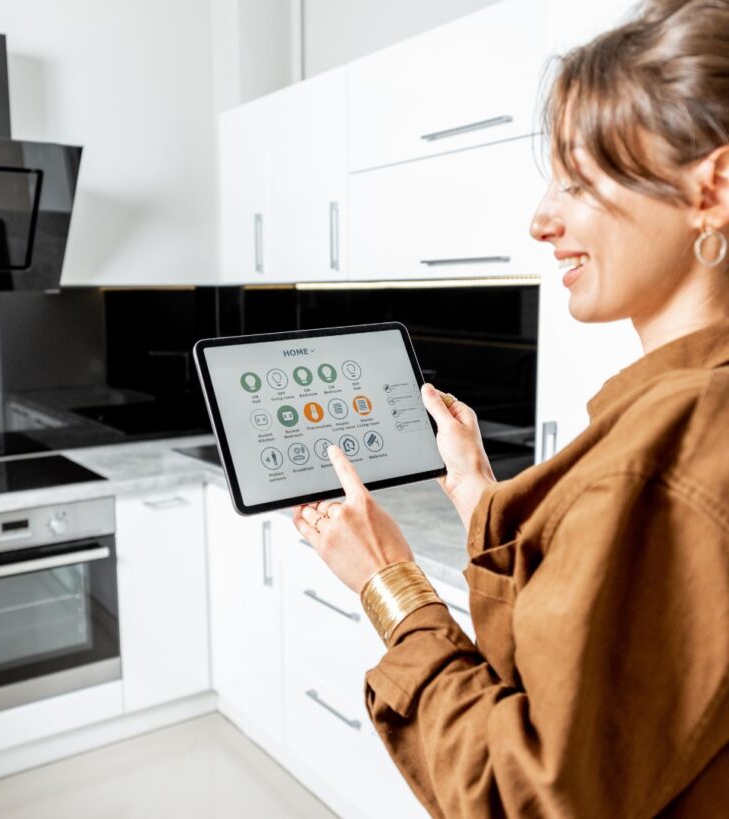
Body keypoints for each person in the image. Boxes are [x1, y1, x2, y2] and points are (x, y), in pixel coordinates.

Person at [293, 1, 729, 815]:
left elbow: (526, 791)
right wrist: (476, 492)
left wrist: (391, 583)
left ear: (713, 188)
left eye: (578, 179)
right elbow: (587, 666)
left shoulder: (672, 454)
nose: (541, 220)